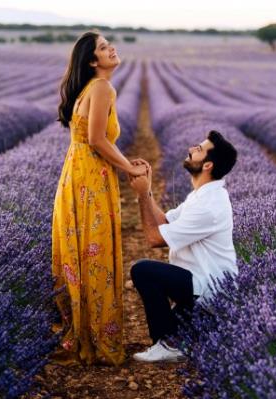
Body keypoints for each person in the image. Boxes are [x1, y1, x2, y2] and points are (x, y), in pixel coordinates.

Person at [51, 30, 148, 366]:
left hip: (76, 177)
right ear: (93, 61)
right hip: (91, 180)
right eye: (105, 48)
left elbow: (94, 140)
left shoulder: (89, 89)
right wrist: (128, 170)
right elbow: (96, 139)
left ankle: (80, 336)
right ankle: (96, 341)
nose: (112, 49)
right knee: (96, 257)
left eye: (110, 45)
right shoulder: (103, 87)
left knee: (79, 255)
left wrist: (124, 162)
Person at [128, 130, 238, 362]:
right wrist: (146, 189)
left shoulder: (208, 205)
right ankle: (191, 333)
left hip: (209, 293)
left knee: (144, 271)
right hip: (198, 284)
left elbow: (154, 239)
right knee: (195, 336)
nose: (191, 149)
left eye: (198, 149)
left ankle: (167, 344)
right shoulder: (201, 196)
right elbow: (165, 222)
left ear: (207, 165)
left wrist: (142, 196)